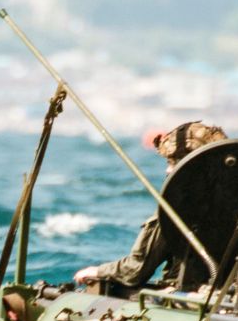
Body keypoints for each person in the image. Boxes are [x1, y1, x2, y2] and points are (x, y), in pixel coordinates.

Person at [73, 121, 227, 292]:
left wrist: (97, 271)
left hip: (187, 296)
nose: (168, 170)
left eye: (174, 162)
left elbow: (136, 270)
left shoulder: (176, 208)